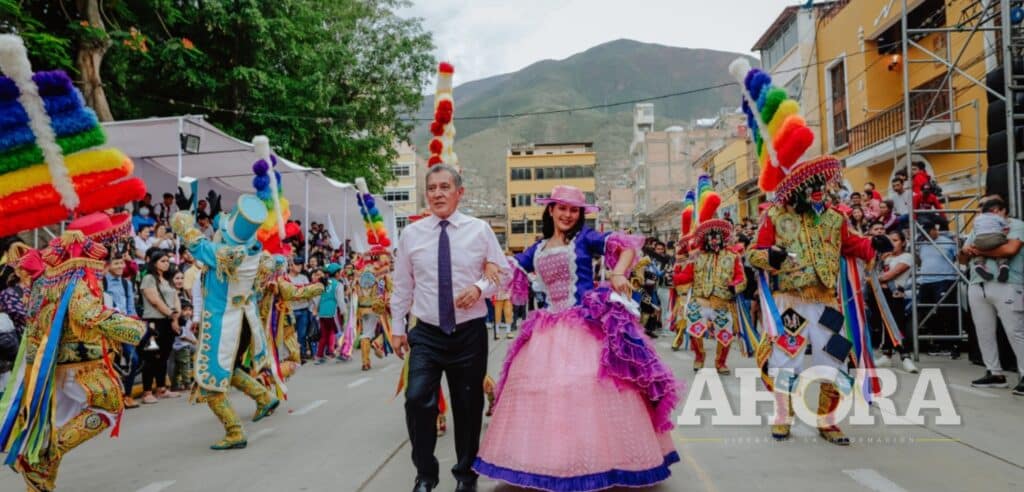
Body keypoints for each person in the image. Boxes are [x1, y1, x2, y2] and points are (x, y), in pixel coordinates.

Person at [474, 184, 679, 491]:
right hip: (547, 328)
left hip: (586, 323)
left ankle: (599, 462)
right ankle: (553, 463)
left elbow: (626, 246)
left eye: (574, 210)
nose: (567, 215)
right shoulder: (537, 248)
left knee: (590, 386)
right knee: (549, 395)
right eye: (562, 209)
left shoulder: (586, 239)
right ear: (551, 210)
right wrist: (480, 280)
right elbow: (506, 271)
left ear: (580, 215)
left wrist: (618, 273)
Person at [737, 63, 890, 446]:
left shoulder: (835, 220)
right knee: (786, 360)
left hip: (826, 300)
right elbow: (753, 254)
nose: (824, 188)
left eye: (825, 183)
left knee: (834, 359)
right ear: (799, 188)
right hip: (789, 298)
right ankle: (783, 415)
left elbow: (854, 246)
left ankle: (827, 420)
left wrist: (877, 246)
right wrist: (769, 256)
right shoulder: (776, 214)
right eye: (816, 184)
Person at [2, 214, 145, 491]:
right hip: (80, 366)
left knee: (55, 422)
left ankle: (39, 482)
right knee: (108, 407)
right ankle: (42, 461)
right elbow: (88, 313)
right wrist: (133, 328)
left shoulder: (53, 273)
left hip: (55, 365)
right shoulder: (76, 275)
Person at [390, 164, 507, 492]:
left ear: (460, 192)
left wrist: (480, 288)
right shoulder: (412, 234)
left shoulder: (480, 230)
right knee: (416, 399)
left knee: (468, 408)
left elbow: (504, 271)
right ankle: (425, 475)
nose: (438, 194)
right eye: (432, 188)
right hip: (426, 332)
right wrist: (398, 328)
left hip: (469, 333)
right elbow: (402, 285)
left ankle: (465, 478)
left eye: (445, 187)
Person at [171, 195, 280, 450]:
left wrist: (183, 220)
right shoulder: (256, 253)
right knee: (228, 371)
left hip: (223, 324)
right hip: (244, 320)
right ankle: (263, 396)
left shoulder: (225, 253)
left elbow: (195, 242)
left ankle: (234, 431)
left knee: (209, 380)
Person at [674, 184, 747, 375]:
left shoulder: (733, 257)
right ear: (705, 240)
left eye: (718, 237)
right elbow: (686, 276)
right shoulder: (697, 257)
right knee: (695, 329)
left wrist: (735, 286)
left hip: (722, 302)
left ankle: (720, 362)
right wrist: (673, 277)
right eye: (711, 237)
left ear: (723, 238)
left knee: (725, 335)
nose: (714, 240)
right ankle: (699, 357)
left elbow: (741, 278)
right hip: (699, 301)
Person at [960, 195, 1024, 394]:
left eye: (987, 207)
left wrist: (977, 250)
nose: (983, 211)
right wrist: (966, 251)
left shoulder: (1016, 225)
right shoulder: (977, 228)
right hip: (977, 284)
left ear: (999, 209)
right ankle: (994, 372)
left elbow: (1010, 249)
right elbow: (963, 257)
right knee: (984, 332)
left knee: (1016, 331)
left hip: (1007, 283)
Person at [868, 231, 919, 373]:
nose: (892, 243)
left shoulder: (907, 257)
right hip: (880, 295)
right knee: (884, 326)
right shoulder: (885, 257)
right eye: (890, 240)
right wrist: (878, 261)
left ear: (903, 242)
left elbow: (889, 275)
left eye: (895, 240)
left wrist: (875, 277)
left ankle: (905, 356)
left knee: (896, 326)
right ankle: (886, 355)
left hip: (895, 295)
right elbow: (871, 272)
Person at [138, 249, 182, 404]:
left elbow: (176, 298)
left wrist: (175, 317)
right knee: (151, 356)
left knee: (164, 355)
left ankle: (161, 388)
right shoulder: (149, 278)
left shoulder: (168, 280)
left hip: (168, 321)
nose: (166, 263)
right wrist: (170, 314)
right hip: (154, 321)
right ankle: (147, 391)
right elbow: (154, 300)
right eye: (162, 261)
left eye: (167, 261)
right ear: (154, 262)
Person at [103, 249, 142, 409]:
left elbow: (131, 307)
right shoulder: (102, 282)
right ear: (108, 265)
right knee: (111, 363)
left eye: (121, 263)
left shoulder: (126, 283)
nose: (120, 266)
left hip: (124, 327)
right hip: (108, 327)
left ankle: (127, 394)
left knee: (133, 360)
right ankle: (113, 396)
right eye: (116, 263)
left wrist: (134, 325)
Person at [970, 197, 1011, 282]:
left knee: (979, 249)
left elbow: (975, 228)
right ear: (995, 209)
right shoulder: (996, 216)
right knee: (1002, 247)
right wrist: (1005, 233)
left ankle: (979, 265)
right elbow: (1006, 226)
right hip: (995, 238)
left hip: (979, 240)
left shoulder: (977, 218)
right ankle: (1003, 266)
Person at [314, 263, 348, 364]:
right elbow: (340, 300)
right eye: (339, 272)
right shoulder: (338, 284)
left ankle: (319, 356)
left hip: (322, 313)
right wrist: (344, 311)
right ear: (337, 273)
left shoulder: (323, 283)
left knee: (324, 335)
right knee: (339, 333)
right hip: (333, 312)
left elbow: (317, 298)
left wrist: (317, 310)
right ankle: (343, 354)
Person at [288, 257, 317, 361]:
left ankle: (302, 353)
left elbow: (309, 293)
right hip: (290, 310)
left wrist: (313, 308)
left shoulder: (304, 278)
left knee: (302, 334)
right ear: (290, 266)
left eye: (301, 264)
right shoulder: (286, 278)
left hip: (304, 309)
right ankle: (291, 354)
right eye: (297, 264)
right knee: (289, 334)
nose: (299, 266)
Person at [172, 302, 198, 391]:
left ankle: (175, 385)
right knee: (184, 365)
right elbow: (182, 336)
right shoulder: (180, 321)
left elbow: (190, 333)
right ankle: (187, 383)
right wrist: (193, 341)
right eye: (185, 310)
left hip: (185, 346)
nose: (188, 312)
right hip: (181, 346)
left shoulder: (189, 321)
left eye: (190, 310)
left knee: (179, 367)